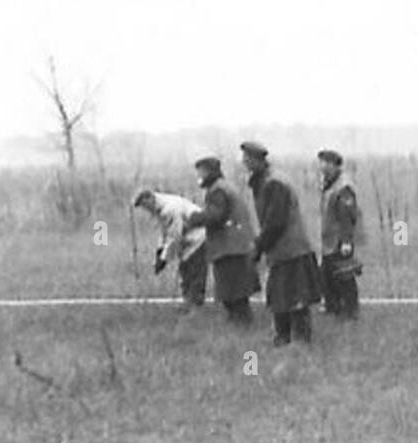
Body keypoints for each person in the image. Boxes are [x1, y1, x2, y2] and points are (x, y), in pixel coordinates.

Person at [240, 141, 323, 346]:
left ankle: (299, 342)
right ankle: (283, 340)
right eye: (244, 159)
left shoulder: (274, 183)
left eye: (248, 159)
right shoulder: (266, 181)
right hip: (282, 250)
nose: (245, 163)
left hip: (291, 249)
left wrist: (258, 247)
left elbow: (275, 222)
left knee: (295, 299)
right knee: (280, 298)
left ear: (259, 160)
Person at [186, 155, 259, 325]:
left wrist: (195, 218)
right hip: (239, 245)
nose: (199, 176)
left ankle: (241, 326)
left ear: (210, 172)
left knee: (233, 294)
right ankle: (240, 325)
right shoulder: (225, 187)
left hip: (230, 248)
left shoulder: (217, 191)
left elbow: (216, 216)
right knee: (237, 294)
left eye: (202, 172)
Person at [132, 188, 207, 312]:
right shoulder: (160, 208)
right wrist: (159, 251)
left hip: (198, 237)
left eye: (145, 205)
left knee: (194, 271)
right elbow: (165, 232)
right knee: (185, 270)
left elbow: (175, 237)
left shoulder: (170, 209)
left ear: (150, 198)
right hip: (187, 239)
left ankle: (194, 306)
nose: (146, 210)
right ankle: (188, 304)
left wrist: (163, 260)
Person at [317, 150, 363, 319]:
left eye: (326, 163)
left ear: (335, 165)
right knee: (328, 275)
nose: (322, 166)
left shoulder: (343, 187)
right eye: (321, 162)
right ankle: (333, 306)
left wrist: (346, 241)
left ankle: (350, 310)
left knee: (344, 275)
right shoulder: (329, 183)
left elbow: (347, 216)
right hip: (329, 240)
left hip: (338, 240)